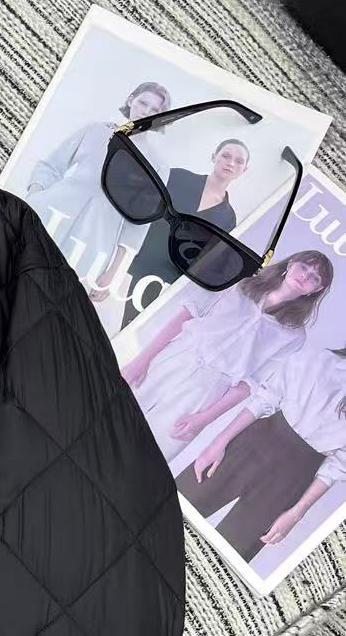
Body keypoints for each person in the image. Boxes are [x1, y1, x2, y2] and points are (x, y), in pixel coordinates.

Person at [121, 250, 334, 458]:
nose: (305, 276)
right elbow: (186, 315)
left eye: (315, 277)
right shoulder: (240, 284)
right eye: (303, 267)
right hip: (176, 358)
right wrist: (142, 359)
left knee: (150, 452)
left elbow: (250, 383)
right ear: (291, 264)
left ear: (317, 289)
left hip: (206, 390)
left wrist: (205, 418)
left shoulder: (294, 335)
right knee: (116, 413)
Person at [178, 332, 345, 562]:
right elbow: (266, 399)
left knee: (227, 557)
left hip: (291, 479)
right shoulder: (319, 359)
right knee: (171, 507)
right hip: (252, 445)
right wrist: (218, 442)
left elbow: (337, 468)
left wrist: (297, 513)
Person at [24, 82, 170, 300]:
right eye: (143, 103)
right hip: (48, 217)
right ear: (131, 100)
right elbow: (50, 166)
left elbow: (137, 226)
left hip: (92, 245)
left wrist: (113, 275)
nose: (146, 112)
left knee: (52, 300)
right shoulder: (95, 131)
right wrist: (32, 201)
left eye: (155, 109)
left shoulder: (157, 165)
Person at [119, 138, 251, 330]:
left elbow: (202, 260)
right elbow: (140, 210)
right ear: (214, 156)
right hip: (129, 261)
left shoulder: (228, 218)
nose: (231, 163)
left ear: (244, 170)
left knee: (128, 329)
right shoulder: (178, 178)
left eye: (239, 161)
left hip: (162, 281)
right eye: (226, 156)